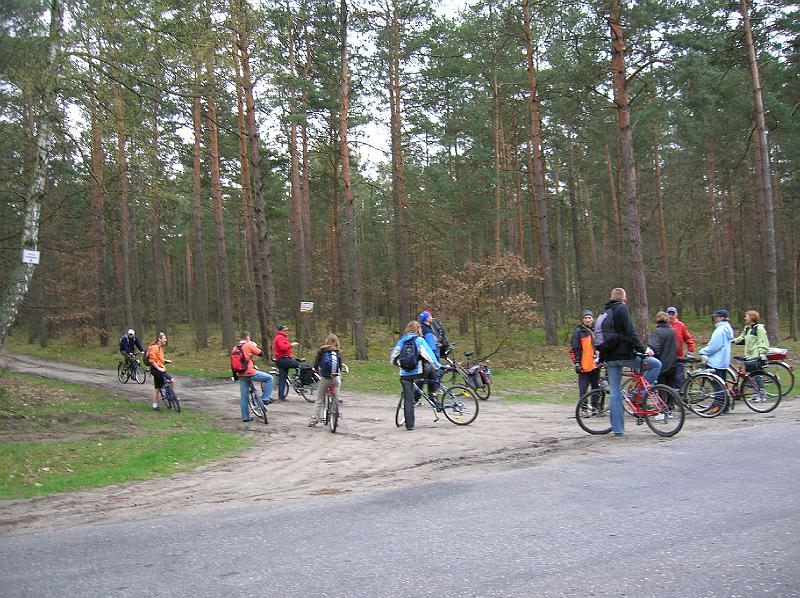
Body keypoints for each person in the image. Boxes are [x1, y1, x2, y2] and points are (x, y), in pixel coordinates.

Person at [598, 288, 661, 437]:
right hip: (624, 355)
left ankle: (618, 429)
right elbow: (630, 332)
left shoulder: (606, 312)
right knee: (656, 365)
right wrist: (642, 350)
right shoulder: (622, 309)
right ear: (624, 299)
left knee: (615, 392)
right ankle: (640, 393)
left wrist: (601, 359)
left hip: (610, 358)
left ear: (611, 298)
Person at [390, 320, 441, 431]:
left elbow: (393, 357)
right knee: (428, 374)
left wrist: (399, 364)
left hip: (404, 375)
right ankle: (432, 394)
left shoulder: (402, 341)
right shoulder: (419, 340)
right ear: (418, 329)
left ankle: (410, 425)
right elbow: (429, 356)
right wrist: (437, 366)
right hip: (417, 373)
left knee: (408, 399)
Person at [697, 309, 734, 414]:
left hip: (716, 361)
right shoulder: (728, 329)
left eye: (717, 317)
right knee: (723, 385)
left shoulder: (720, 330)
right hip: (723, 362)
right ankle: (724, 406)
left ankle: (717, 407)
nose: (715, 319)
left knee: (717, 386)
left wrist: (703, 351)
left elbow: (714, 346)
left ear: (721, 318)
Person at [235, 331, 274, 422]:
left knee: (244, 397)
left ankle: (245, 417)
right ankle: (265, 399)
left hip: (240, 374)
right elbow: (261, 353)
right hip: (250, 372)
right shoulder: (248, 345)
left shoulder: (235, 348)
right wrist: (254, 346)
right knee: (270, 378)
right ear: (247, 337)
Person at [732, 310, 770, 402]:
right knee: (751, 376)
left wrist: (762, 354)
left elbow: (763, 342)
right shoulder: (747, 329)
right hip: (749, 355)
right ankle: (756, 393)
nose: (745, 318)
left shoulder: (759, 329)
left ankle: (761, 394)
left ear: (752, 317)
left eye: (747, 316)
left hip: (756, 355)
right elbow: (741, 338)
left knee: (757, 375)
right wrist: (731, 341)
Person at [309, 334, 343, 427]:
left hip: (325, 378)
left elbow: (316, 364)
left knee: (319, 399)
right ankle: (335, 418)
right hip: (335, 378)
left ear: (327, 341)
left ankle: (314, 420)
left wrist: (316, 370)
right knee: (336, 398)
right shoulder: (337, 351)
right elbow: (340, 366)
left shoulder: (322, 350)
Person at [569, 309, 599, 401]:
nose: (588, 320)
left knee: (596, 387)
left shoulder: (596, 330)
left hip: (596, 364)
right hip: (584, 365)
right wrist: (577, 363)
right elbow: (573, 349)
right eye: (585, 318)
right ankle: (584, 407)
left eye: (589, 317)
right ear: (582, 320)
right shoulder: (578, 331)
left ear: (593, 319)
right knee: (583, 389)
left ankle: (595, 406)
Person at [666, 307, 696, 388]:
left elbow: (688, 338)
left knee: (678, 378)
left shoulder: (680, 325)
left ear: (676, 315)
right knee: (668, 378)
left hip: (678, 356)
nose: (671, 316)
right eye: (669, 314)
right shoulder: (664, 325)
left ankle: (680, 393)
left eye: (673, 314)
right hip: (666, 357)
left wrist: (691, 350)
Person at [147, 331, 178, 410]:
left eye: (166, 338)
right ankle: (155, 405)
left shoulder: (160, 348)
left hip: (161, 369)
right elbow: (152, 360)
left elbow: (159, 359)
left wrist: (166, 361)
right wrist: (158, 368)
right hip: (156, 370)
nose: (166, 340)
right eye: (164, 338)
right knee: (158, 387)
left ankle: (171, 396)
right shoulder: (155, 347)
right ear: (159, 339)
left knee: (171, 381)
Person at [648, 311, 678, 388]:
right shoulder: (672, 331)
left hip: (661, 365)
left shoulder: (656, 332)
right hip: (672, 365)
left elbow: (655, 349)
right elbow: (676, 347)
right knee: (670, 389)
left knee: (661, 389)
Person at [418, 311, 442, 398]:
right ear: (427, 319)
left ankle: (431, 398)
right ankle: (416, 399)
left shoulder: (422, 328)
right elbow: (431, 347)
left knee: (425, 379)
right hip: (429, 360)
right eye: (430, 316)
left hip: (424, 360)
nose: (432, 318)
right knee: (427, 380)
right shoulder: (427, 330)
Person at [273, 324, 300, 401]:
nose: (287, 332)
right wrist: (292, 345)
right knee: (298, 365)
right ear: (280, 331)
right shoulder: (280, 337)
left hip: (281, 360)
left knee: (282, 379)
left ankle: (281, 397)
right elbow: (283, 348)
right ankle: (299, 382)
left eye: (287, 330)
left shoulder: (281, 337)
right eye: (285, 330)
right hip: (283, 360)